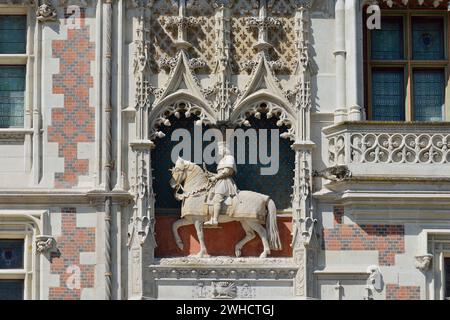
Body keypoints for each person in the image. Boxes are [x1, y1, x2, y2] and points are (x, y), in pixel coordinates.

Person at [204, 141, 238, 226]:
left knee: (217, 198)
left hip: (225, 181)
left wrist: (215, 177)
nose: (218, 152)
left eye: (219, 149)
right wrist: (212, 175)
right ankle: (211, 218)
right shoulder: (222, 159)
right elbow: (221, 172)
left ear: (225, 149)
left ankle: (215, 220)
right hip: (220, 181)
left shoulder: (230, 157)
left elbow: (226, 171)